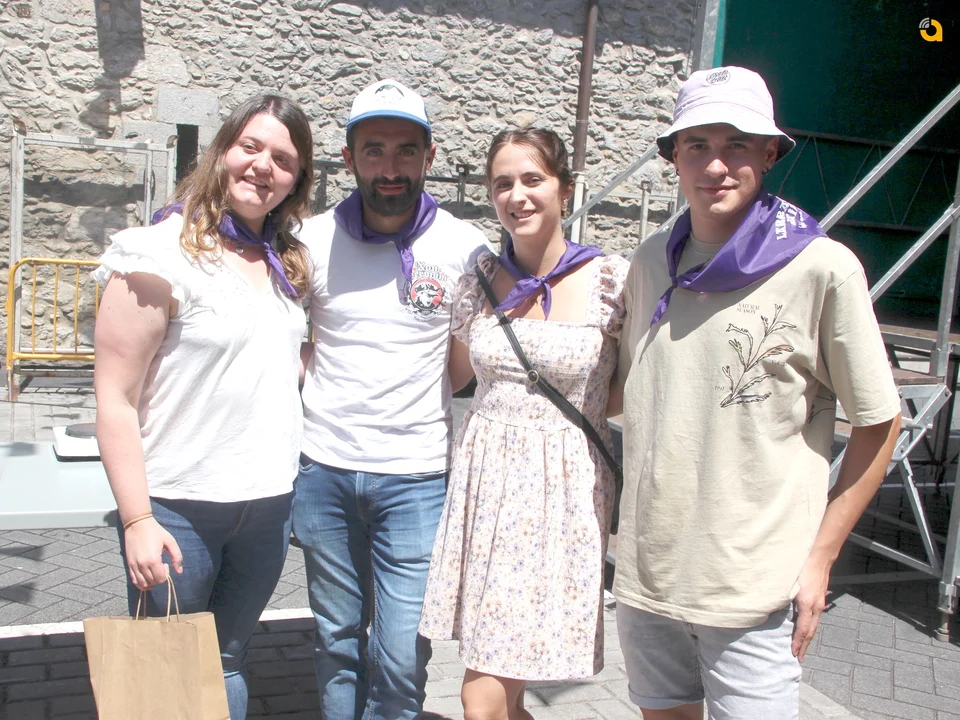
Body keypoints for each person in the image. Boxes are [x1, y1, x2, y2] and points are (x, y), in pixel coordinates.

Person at [613, 66, 902, 719]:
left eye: (737, 144)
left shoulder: (822, 268)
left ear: (770, 153)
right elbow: (630, 394)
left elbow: (880, 423)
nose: (715, 165)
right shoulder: (651, 260)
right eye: (697, 145)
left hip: (754, 588)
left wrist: (821, 558)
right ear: (673, 156)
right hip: (648, 576)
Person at [93, 94, 314, 720]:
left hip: (267, 506)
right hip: (178, 508)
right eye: (251, 147)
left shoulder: (285, 262)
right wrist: (137, 519)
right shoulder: (156, 253)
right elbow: (114, 398)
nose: (263, 166)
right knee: (163, 677)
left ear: (296, 180)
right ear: (222, 151)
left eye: (283, 159)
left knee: (225, 661)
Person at [292, 79, 490, 720]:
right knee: (337, 640)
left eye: (406, 150)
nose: (390, 167)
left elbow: (466, 364)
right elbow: (273, 333)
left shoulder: (465, 249)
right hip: (324, 469)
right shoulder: (309, 241)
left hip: (416, 478)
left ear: (429, 156)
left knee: (402, 653)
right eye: (373, 150)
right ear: (348, 158)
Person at [419, 127, 628, 720]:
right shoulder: (479, 279)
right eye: (502, 183)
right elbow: (455, 376)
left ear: (565, 188)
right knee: (497, 692)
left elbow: (625, 392)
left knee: (482, 696)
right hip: (485, 488)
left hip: (562, 495)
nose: (517, 195)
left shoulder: (611, 282)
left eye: (533, 179)